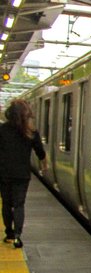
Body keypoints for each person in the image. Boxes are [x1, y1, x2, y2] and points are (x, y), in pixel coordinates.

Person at [0, 100, 48, 248]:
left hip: (4, 173)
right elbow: (40, 152)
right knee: (19, 204)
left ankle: (8, 233)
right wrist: (44, 164)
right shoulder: (31, 131)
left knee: (7, 203)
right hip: (22, 174)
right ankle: (17, 236)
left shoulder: (2, 129)